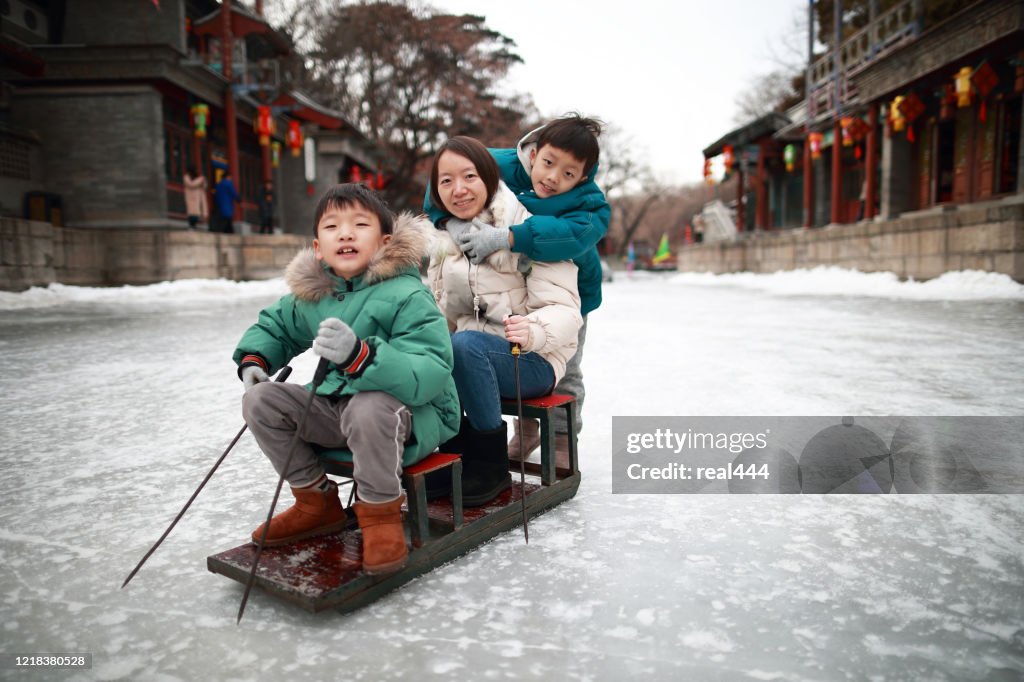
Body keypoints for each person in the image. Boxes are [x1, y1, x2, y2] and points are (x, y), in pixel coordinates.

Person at [234, 183, 460, 575]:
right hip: (338, 408)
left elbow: (430, 367)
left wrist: (361, 355)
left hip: (411, 414)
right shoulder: (314, 294)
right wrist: (255, 359)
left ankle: (379, 514)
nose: (346, 233)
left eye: (360, 224)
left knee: (368, 406)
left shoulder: (406, 294)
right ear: (318, 247)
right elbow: (277, 327)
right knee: (261, 401)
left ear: (385, 241)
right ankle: (315, 502)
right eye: (333, 226)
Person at [424, 114, 609, 465]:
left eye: (569, 174)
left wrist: (506, 237)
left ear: (583, 176)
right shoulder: (498, 163)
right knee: (502, 343)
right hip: (514, 285)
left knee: (565, 366)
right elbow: (442, 182)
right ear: (533, 152)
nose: (553, 178)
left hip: (571, 285)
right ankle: (524, 433)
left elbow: (572, 236)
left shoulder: (588, 202)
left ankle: (561, 441)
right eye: (548, 163)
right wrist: (453, 221)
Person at [183, 165, 208, 229]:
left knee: (196, 213)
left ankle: (194, 225)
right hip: (190, 197)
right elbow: (191, 184)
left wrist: (203, 181)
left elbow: (205, 187)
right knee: (191, 213)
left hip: (197, 198)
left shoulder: (198, 178)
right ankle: (192, 225)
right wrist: (200, 180)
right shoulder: (186, 177)